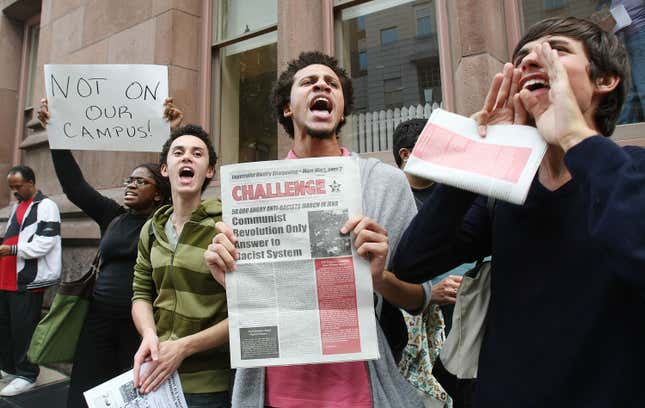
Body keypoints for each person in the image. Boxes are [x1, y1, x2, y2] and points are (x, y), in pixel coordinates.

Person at [392, 16, 645, 407]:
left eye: (554, 51)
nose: (529, 62)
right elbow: (411, 263)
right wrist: (479, 158)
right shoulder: (508, 193)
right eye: (522, 57)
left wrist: (574, 135)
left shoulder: (633, 172)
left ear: (604, 80)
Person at [204, 51, 424, 408]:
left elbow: (420, 299)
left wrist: (379, 279)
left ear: (341, 108)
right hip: (274, 392)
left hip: (361, 392)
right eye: (307, 82)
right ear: (288, 108)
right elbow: (263, 300)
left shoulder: (386, 183)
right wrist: (233, 280)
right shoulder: (253, 190)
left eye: (332, 84)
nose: (322, 85)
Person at [37, 99, 173, 407]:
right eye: (130, 180)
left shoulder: (165, 221)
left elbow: (184, 180)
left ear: (159, 193)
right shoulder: (112, 215)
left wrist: (174, 131)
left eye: (142, 181)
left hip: (141, 328)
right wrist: (56, 135)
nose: (131, 185)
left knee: (131, 394)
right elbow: (74, 187)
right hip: (97, 320)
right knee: (84, 391)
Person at [131, 124, 229, 407]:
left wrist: (184, 347)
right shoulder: (151, 229)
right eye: (178, 152)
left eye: (197, 154)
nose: (187, 158)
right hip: (157, 376)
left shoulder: (225, 227)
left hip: (209, 385)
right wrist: (149, 334)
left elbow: (249, 311)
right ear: (165, 169)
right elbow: (140, 294)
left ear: (209, 170)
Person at [392, 119, 463, 408]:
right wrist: (429, 294)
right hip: (420, 327)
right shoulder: (393, 199)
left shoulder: (455, 193)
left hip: (465, 313)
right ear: (406, 155)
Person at [0, 165, 61, 396]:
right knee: (4, 325)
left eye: (18, 186)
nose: (14, 191)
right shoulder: (18, 205)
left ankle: (27, 374)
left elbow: (46, 242)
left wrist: (11, 249)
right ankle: (8, 367)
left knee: (24, 329)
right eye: (11, 187)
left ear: (31, 182)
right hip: (6, 277)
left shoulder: (47, 206)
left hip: (27, 279)